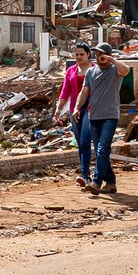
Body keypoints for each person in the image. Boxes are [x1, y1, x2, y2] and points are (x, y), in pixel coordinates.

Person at [76, 42, 130, 194]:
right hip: (94, 116)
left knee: (102, 149)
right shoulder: (91, 72)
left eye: (103, 54)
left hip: (110, 116)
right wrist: (76, 108)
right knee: (101, 151)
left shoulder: (115, 71)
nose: (100, 57)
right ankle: (111, 182)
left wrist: (112, 60)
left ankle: (96, 181)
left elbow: (126, 70)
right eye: (98, 54)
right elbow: (84, 92)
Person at [54, 42, 94, 188]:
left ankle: (85, 174)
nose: (79, 57)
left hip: (90, 108)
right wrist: (58, 109)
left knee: (85, 140)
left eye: (81, 54)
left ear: (88, 54)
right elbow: (65, 91)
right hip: (74, 109)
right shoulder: (71, 70)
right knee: (79, 142)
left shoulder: (95, 70)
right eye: (76, 54)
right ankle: (86, 173)